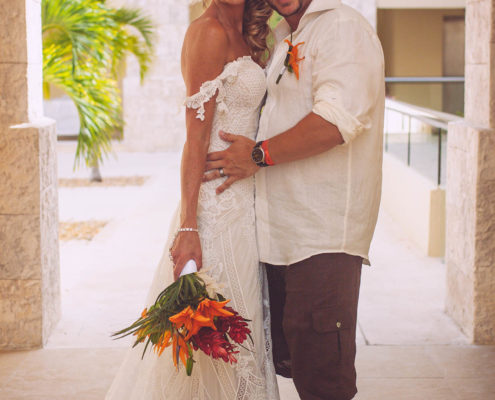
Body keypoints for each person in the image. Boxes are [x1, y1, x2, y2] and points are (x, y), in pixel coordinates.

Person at [203, 0, 385, 398]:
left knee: (323, 380)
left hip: (321, 236)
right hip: (282, 235)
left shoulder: (342, 28)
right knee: (300, 368)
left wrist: (256, 154)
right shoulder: (287, 35)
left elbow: (337, 122)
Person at [105, 0, 280, 398]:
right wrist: (189, 225)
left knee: (244, 327)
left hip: (247, 204)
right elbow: (195, 138)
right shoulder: (208, 32)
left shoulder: (251, 30)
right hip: (216, 208)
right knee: (216, 344)